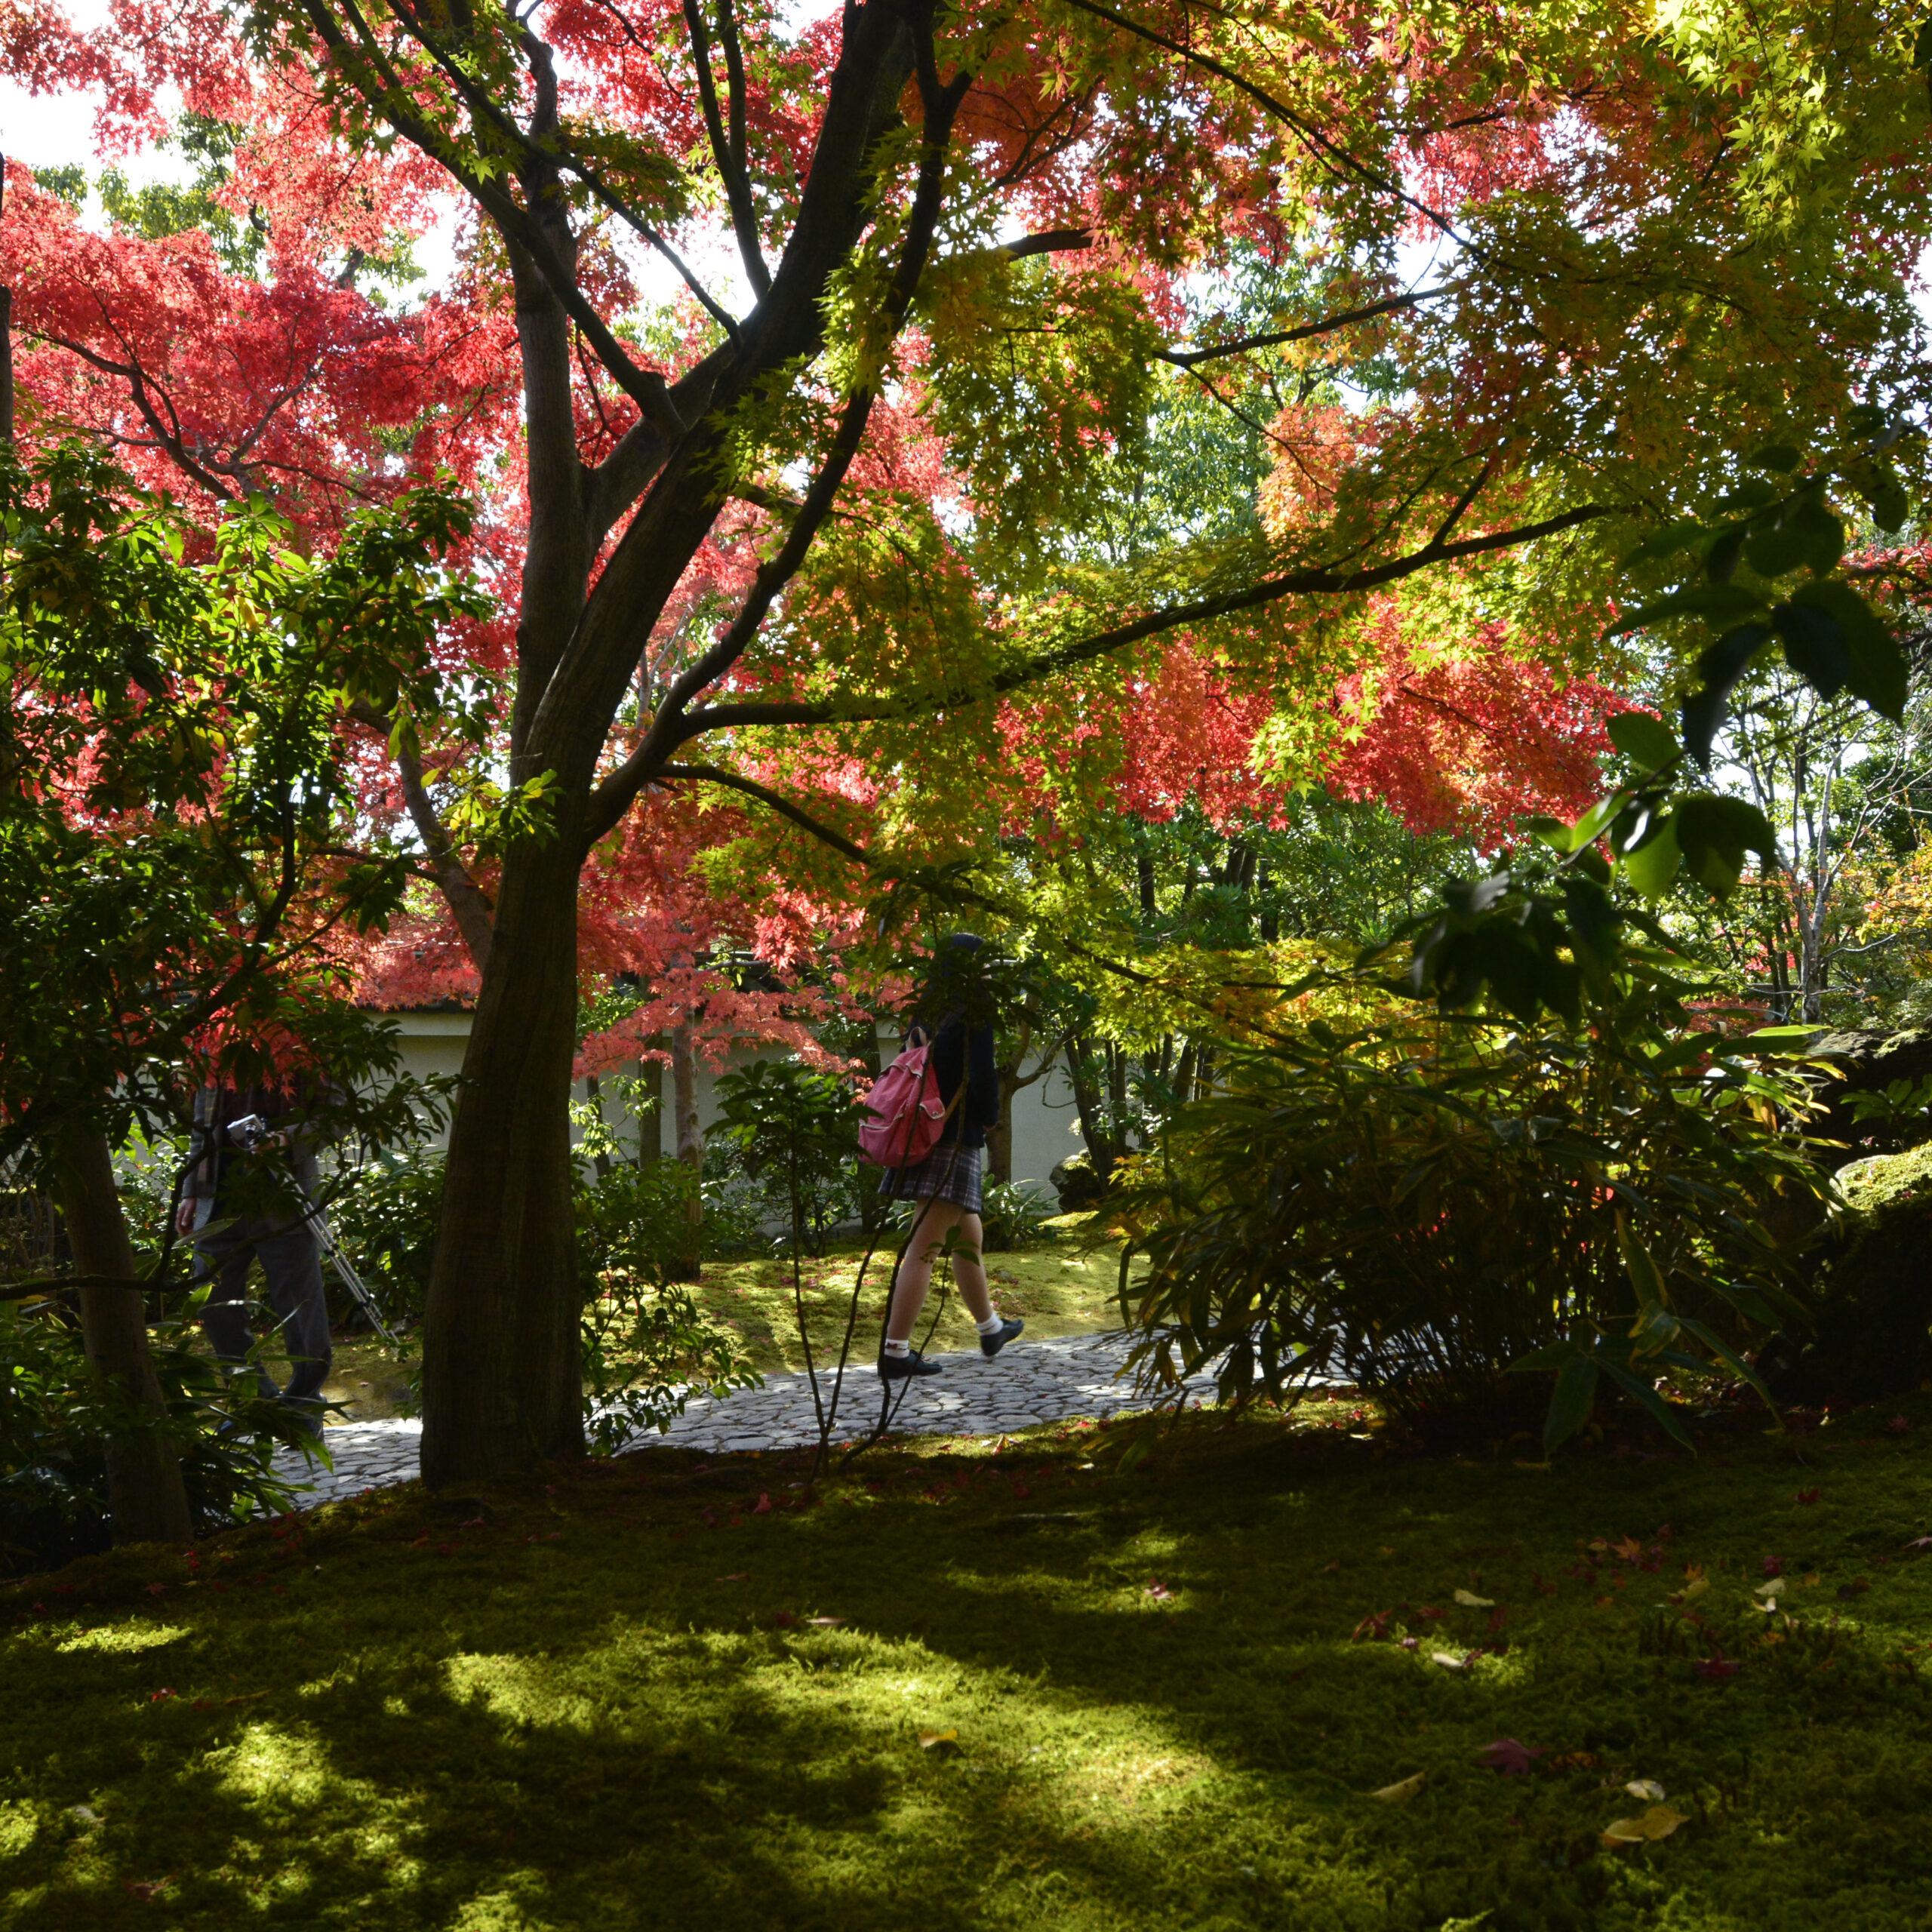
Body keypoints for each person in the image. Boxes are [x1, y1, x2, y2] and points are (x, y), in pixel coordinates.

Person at [876, 935, 1025, 1380]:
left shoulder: (927, 1011)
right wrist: (991, 1117)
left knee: (968, 1236)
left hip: (926, 1129)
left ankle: (990, 1327)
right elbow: (981, 1074)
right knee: (925, 1248)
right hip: (953, 1136)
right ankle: (896, 1352)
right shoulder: (973, 1011)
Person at [176, 1077, 334, 1430]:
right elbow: (202, 1129)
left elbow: (337, 1117)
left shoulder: (305, 1046)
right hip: (220, 1199)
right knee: (213, 1302)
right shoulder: (213, 1046)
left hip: (285, 1196)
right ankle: (251, 1399)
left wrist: (287, 1139)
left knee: (300, 1306)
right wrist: (191, 1191)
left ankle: (304, 1407)